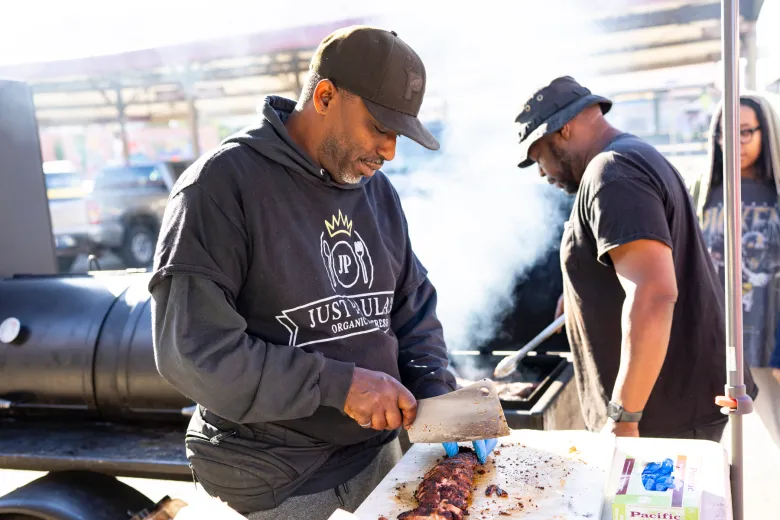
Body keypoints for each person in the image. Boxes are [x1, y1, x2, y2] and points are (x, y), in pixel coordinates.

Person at [148, 25, 496, 520]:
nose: (390, 151)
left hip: (375, 459)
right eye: (379, 127)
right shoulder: (220, 187)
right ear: (326, 96)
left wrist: (436, 393)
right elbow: (196, 354)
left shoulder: (377, 192)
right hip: (273, 477)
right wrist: (341, 385)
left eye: (397, 135)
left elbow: (412, 308)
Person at [515, 76, 757, 440]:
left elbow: (653, 293)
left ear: (563, 129)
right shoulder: (632, 156)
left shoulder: (613, 173)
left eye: (538, 156)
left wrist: (624, 416)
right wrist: (581, 295)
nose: (541, 172)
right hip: (669, 408)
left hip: (659, 419)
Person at [689, 92, 780, 448]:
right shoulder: (703, 190)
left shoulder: (775, 192)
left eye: (745, 132)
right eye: (725, 133)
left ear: (765, 132)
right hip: (717, 346)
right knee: (722, 449)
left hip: (768, 348)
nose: (735, 142)